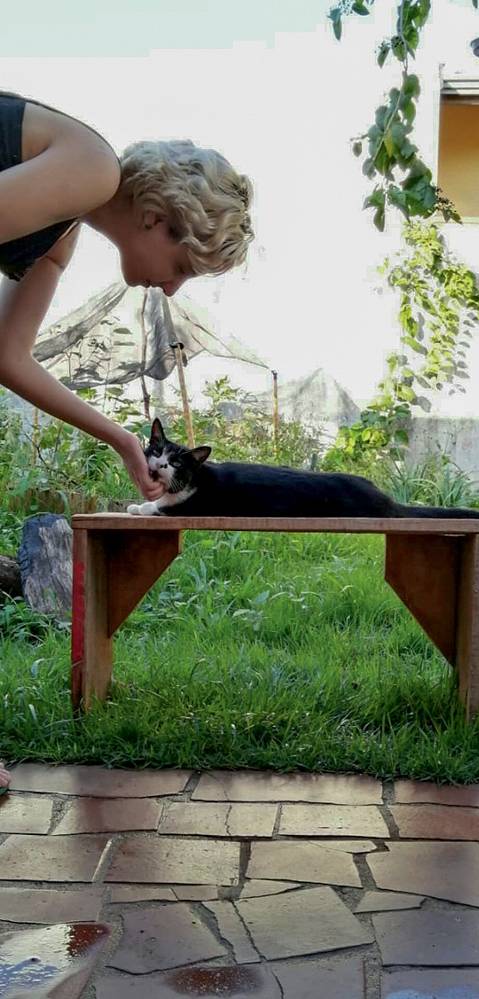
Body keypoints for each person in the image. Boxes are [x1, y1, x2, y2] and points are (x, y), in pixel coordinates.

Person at [0, 91, 254, 792]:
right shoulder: (90, 168)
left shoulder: (61, 230)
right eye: (184, 269)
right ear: (153, 219)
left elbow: (9, 355)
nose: (173, 290)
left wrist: (120, 440)